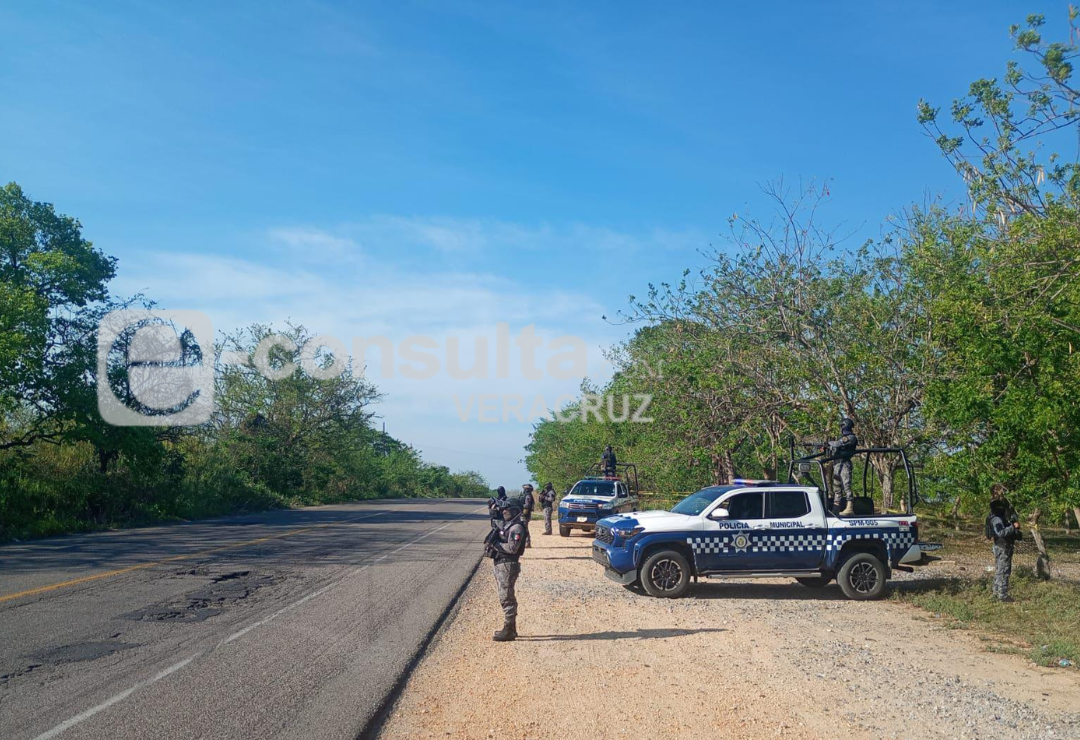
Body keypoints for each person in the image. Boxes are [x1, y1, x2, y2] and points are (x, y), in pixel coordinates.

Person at [485, 503, 527, 641]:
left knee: (506, 597)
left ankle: (509, 630)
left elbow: (512, 548)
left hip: (508, 565)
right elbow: (498, 524)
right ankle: (511, 629)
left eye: (507, 509)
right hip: (502, 564)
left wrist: (496, 545)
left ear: (514, 510)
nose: (504, 511)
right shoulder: (509, 525)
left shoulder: (517, 528)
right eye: (503, 510)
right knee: (504, 595)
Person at [986, 497, 1021, 602]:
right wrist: (1013, 527)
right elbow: (1000, 532)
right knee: (1004, 571)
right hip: (1003, 547)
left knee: (999, 570)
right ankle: (1002, 595)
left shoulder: (995, 517)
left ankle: (996, 593)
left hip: (1000, 546)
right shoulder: (996, 519)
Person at [827, 419, 858, 516]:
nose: (841, 428)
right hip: (837, 464)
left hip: (844, 463)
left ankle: (849, 508)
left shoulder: (851, 438)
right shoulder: (843, 438)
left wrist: (829, 443)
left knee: (846, 485)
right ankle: (836, 508)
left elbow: (838, 443)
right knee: (837, 487)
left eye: (842, 426)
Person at [520, 484, 535, 548]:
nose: (524, 490)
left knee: (525, 528)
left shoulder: (528, 496)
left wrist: (520, 505)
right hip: (524, 514)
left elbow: (527, 505)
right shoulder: (525, 495)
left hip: (526, 514)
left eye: (525, 489)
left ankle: (527, 542)